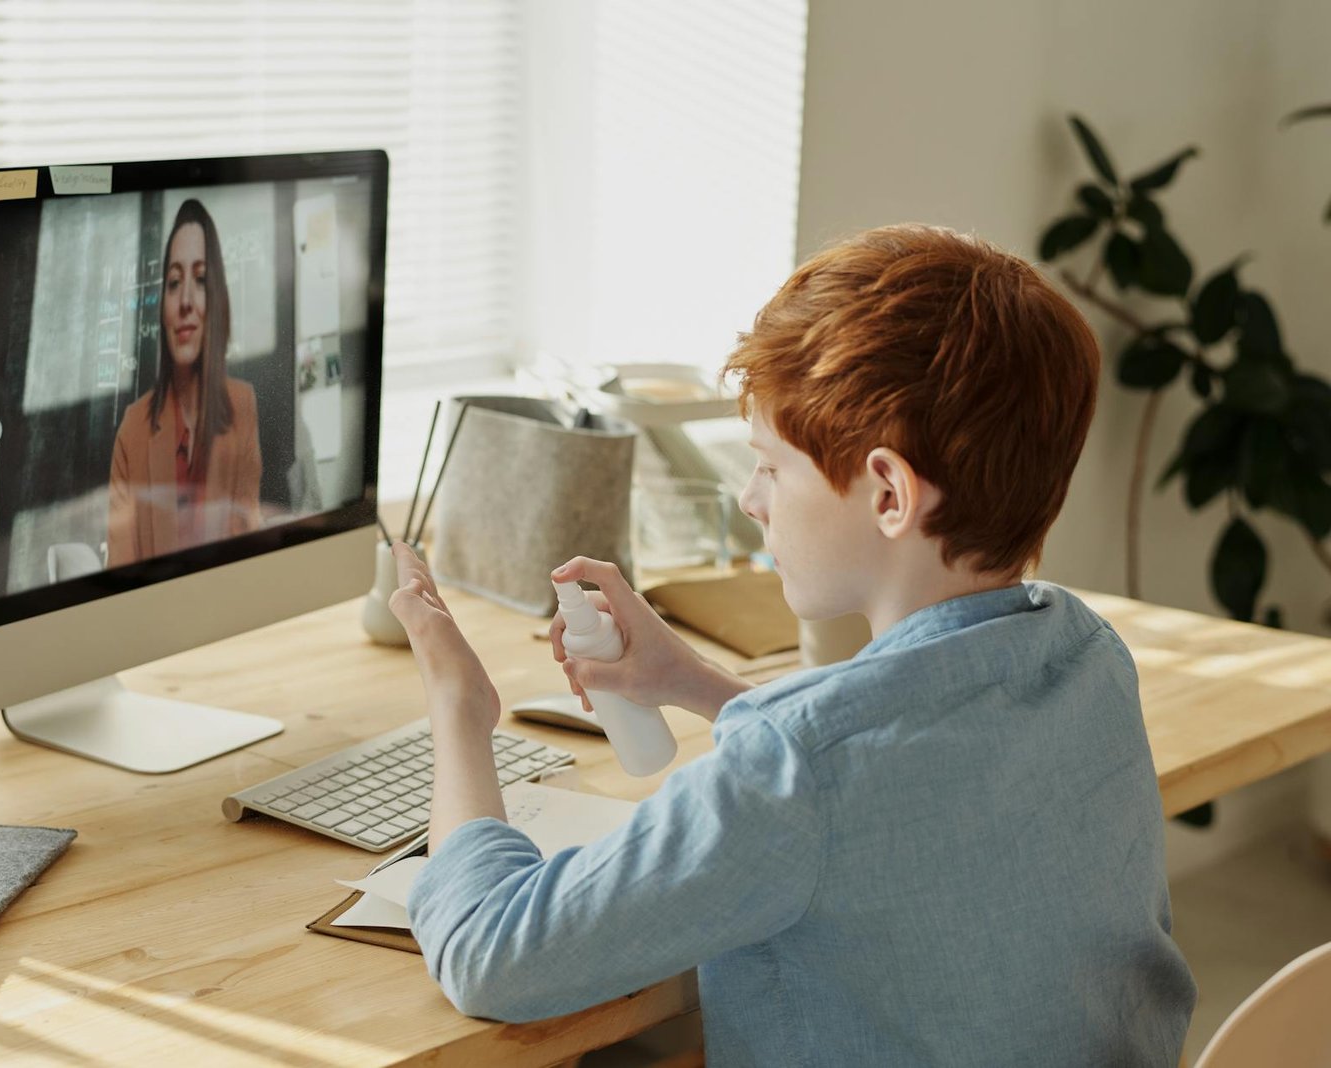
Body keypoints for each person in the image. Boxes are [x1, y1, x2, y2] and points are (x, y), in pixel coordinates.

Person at [386, 225, 1196, 1065]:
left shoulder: (791, 775)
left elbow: (490, 954)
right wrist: (694, 681)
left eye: (772, 466)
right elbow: (890, 790)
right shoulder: (1087, 656)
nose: (749, 499)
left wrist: (458, 709)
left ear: (889, 492)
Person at [108, 198, 263, 566]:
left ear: (218, 299)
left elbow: (247, 549)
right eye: (175, 283)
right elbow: (118, 575)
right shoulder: (133, 428)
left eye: (201, 280)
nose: (186, 302)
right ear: (162, 306)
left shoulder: (243, 405)